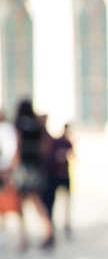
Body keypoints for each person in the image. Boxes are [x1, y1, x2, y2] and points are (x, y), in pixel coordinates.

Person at [12, 98, 54, 250]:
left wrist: (12, 167)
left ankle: (23, 238)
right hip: (37, 166)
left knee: (21, 203)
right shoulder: (37, 125)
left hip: (24, 166)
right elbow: (45, 146)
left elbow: (17, 146)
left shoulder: (19, 124)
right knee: (37, 201)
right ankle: (48, 231)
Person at [44, 123, 74, 239]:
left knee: (66, 202)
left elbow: (73, 155)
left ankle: (66, 224)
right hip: (55, 176)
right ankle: (52, 226)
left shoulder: (67, 142)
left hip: (64, 176)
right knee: (53, 202)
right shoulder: (55, 142)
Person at [0, 108, 23, 249]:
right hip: (7, 169)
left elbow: (12, 151)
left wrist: (9, 171)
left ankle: (20, 235)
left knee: (14, 202)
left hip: (6, 170)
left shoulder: (7, 130)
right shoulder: (9, 129)